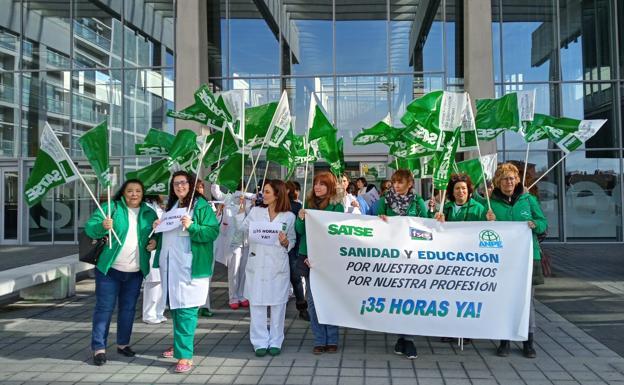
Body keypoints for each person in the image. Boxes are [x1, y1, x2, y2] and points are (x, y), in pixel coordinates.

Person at [85, 179, 158, 366]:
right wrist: (102, 226)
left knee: (128, 310)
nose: (134, 194)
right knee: (104, 309)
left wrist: (155, 241)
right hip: (109, 270)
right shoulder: (111, 207)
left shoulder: (149, 213)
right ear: (123, 193)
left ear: (143, 194)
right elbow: (90, 229)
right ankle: (99, 348)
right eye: (130, 191)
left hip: (135, 272)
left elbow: (157, 235)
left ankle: (123, 344)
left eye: (138, 191)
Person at [153, 171, 220, 373]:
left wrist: (192, 227)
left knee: (187, 309)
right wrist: (158, 227)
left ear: (191, 184)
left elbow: (212, 231)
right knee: (175, 307)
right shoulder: (172, 207)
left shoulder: (201, 206)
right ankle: (180, 345)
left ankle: (185, 356)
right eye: (175, 184)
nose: (179, 186)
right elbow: (168, 236)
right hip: (171, 266)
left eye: (183, 183)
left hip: (190, 266)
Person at [485, 163, 547, 359]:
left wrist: (535, 224)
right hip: (502, 260)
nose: (508, 182)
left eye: (511, 178)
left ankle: (528, 341)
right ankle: (505, 340)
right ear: (497, 182)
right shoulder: (490, 203)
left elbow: (543, 223)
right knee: (504, 299)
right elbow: (480, 228)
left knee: (527, 301)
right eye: (504, 179)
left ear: (518, 180)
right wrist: (487, 219)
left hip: (529, 257)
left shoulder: (529, 200)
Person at [235, 179, 296, 357]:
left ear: (278, 194)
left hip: (278, 264)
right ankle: (259, 341)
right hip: (257, 263)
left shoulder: (289, 216)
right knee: (257, 304)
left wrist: (286, 242)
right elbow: (242, 228)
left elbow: (291, 240)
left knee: (278, 305)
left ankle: (276, 340)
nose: (263, 194)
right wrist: (241, 211)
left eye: (267, 192)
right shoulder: (256, 211)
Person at [377, 169, 428, 359]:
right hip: (392, 257)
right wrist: (380, 220)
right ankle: (403, 338)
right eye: (394, 182)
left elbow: (427, 225)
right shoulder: (384, 201)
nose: (396, 186)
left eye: (400, 182)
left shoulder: (417, 201)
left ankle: (407, 339)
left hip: (413, 256)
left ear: (409, 184)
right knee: (397, 296)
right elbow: (372, 223)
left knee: (410, 296)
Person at [433, 173, 487, 344]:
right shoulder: (445, 209)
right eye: (457, 188)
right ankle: (450, 329)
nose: (460, 191)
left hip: (470, 260)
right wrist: (436, 220)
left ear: (469, 190)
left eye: (463, 188)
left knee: (466, 296)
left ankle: (466, 331)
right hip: (448, 260)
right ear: (452, 191)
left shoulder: (478, 208)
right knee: (449, 295)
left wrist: (491, 222)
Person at [296, 172, 344, 354]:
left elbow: (336, 235)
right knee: (313, 301)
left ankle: (332, 338)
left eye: (322, 184)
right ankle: (319, 339)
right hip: (308, 259)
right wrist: (300, 218)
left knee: (329, 300)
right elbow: (301, 231)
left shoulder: (336, 208)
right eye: (316, 183)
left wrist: (322, 255)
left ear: (330, 187)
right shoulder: (307, 205)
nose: (317, 187)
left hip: (328, 259)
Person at [210, 182, 255, 310]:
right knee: (234, 269)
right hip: (233, 240)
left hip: (246, 240)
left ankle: (242, 295)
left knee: (244, 269)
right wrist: (217, 178)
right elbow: (215, 192)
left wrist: (247, 202)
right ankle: (233, 297)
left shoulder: (249, 200)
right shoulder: (228, 198)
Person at [142, 195, 168, 324]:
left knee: (160, 282)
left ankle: (158, 311)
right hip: (151, 248)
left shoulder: (158, 205)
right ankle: (149, 314)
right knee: (152, 282)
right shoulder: (146, 206)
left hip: (161, 247)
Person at [285, 180, 308, 321]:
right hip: (289, 247)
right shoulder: (276, 205)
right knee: (295, 279)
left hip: (292, 247)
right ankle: (302, 308)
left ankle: (301, 307)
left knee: (294, 278)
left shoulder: (296, 206)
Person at [196, 180, 215, 317]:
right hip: (191, 248)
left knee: (206, 277)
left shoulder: (207, 204)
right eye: (197, 187)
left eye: (201, 187)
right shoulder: (185, 205)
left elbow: (213, 228)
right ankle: (195, 307)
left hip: (206, 246)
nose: (200, 189)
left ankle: (204, 305)